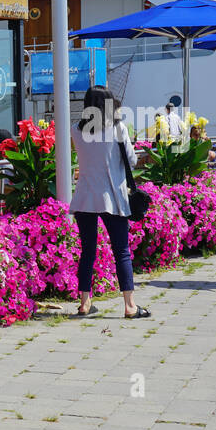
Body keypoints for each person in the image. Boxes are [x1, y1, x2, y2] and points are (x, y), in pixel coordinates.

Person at [69, 84, 149, 318]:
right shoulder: (118, 128)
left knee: (87, 251)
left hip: (84, 197)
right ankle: (129, 306)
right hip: (112, 197)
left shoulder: (76, 129)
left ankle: (85, 302)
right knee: (121, 251)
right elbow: (132, 161)